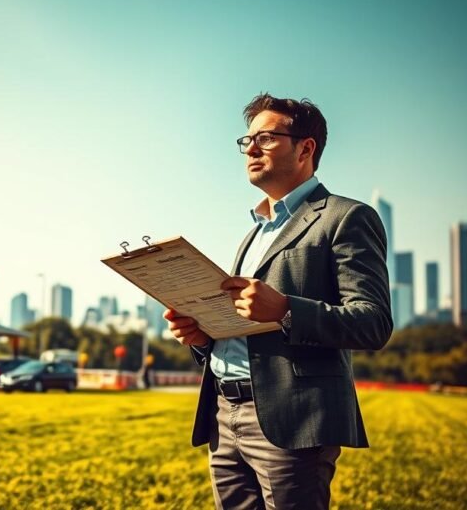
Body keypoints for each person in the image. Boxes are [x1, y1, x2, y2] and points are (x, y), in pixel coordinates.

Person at [164, 93, 392, 510]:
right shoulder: (252, 234)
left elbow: (372, 321)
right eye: (246, 140)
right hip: (222, 414)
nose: (251, 149)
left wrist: (286, 310)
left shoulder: (345, 217)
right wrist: (201, 336)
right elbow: (244, 325)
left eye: (266, 138)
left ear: (305, 148)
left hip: (294, 420)